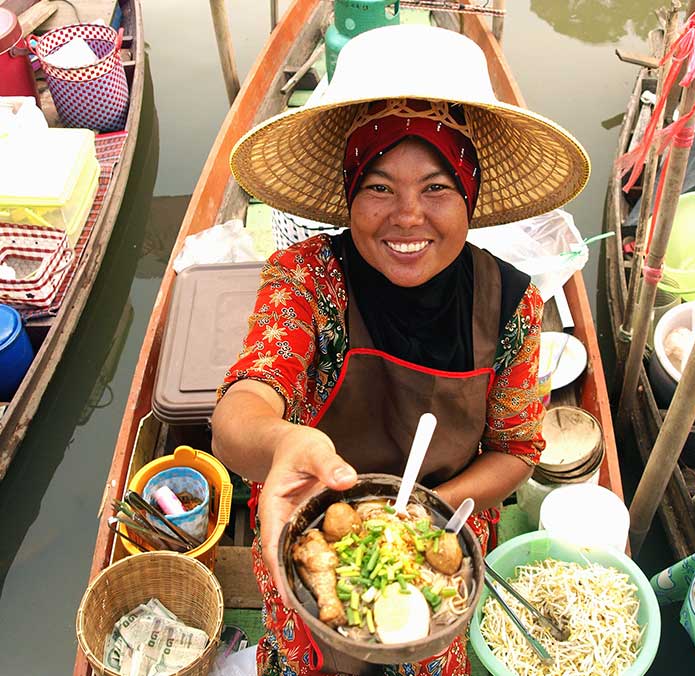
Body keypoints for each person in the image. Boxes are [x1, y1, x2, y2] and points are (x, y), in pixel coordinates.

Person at [212, 23, 589, 676]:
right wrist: (279, 445)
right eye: (380, 187)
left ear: (469, 196)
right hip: (314, 519)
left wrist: (417, 518)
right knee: (323, 651)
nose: (407, 217)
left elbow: (515, 452)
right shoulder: (307, 278)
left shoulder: (509, 302)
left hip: (440, 526)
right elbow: (243, 407)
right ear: (351, 194)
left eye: (437, 188)